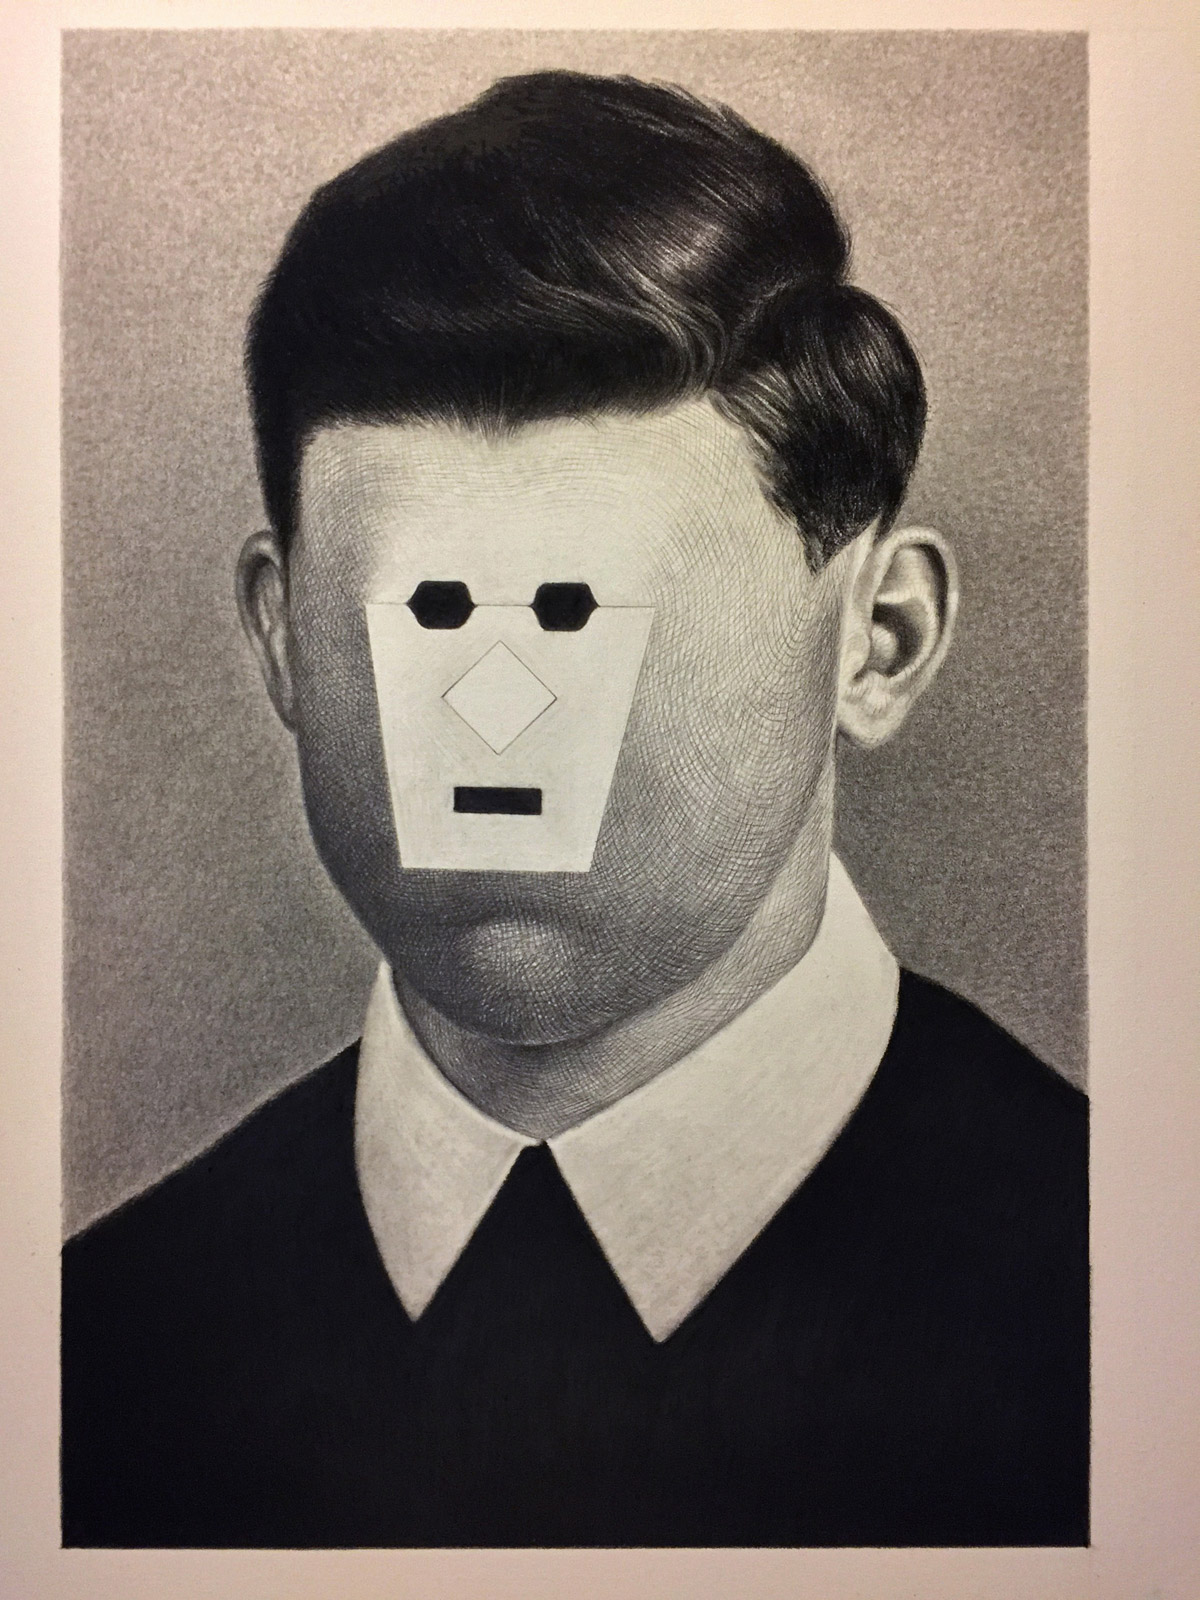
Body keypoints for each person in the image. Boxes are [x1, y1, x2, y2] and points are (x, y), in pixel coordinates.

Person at [61, 70, 1088, 1549]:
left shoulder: (1130, 1303)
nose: (495, 715)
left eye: (582, 610)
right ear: (286, 642)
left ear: (879, 639)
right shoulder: (88, 1362)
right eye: (427, 612)